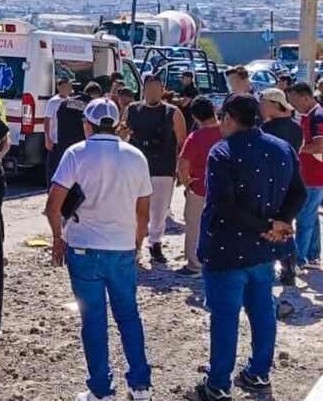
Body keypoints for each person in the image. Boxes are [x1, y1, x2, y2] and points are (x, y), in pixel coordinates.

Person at [188, 93, 305, 400]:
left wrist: (270, 225)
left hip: (226, 250)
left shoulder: (222, 151)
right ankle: (258, 373)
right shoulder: (283, 149)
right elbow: (299, 194)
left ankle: (217, 385)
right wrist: (279, 223)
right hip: (264, 251)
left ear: (227, 119)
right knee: (263, 311)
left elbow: (224, 205)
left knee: (225, 318)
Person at [46, 98, 153, 401]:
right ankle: (140, 385)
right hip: (121, 247)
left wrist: (58, 237)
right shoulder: (136, 157)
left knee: (93, 321)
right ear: (117, 124)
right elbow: (143, 212)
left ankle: (100, 390)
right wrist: (137, 243)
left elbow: (53, 206)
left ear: (87, 124)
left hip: (83, 247)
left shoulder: (76, 153)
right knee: (129, 316)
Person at [123, 75, 186, 264]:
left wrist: (180, 168)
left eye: (155, 89)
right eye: (148, 89)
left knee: (159, 209)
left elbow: (183, 142)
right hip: (136, 168)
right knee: (136, 210)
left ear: (162, 90)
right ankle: (135, 245)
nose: (151, 93)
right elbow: (122, 132)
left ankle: (155, 243)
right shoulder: (133, 109)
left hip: (163, 167)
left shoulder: (173, 112)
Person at [259, 87, 303, 285]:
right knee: (286, 224)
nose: (260, 107)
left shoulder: (265, 131)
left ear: (273, 104)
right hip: (291, 182)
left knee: (268, 226)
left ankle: (267, 269)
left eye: (263, 103)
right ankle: (289, 270)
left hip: (270, 185)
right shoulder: (296, 127)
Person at [175, 97, 222, 278]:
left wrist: (186, 181)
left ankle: (195, 264)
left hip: (200, 188)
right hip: (225, 190)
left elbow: (183, 162)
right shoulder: (228, 132)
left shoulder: (195, 137)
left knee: (194, 226)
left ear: (195, 117)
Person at [285, 82, 323, 270]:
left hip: (314, 176)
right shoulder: (309, 115)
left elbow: (319, 146)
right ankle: (313, 255)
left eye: (293, 100)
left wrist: (295, 150)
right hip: (310, 175)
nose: (292, 105)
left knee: (304, 218)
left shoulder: (317, 116)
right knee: (311, 216)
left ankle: (298, 260)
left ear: (305, 97)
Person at [53, 81, 104, 175]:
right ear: (95, 95)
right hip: (81, 148)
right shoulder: (91, 106)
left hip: (63, 146)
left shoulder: (65, 102)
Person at [44, 77, 73, 182]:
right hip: (55, 140)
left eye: (69, 87)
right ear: (59, 87)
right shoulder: (53, 102)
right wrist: (47, 138)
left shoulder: (71, 101)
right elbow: (47, 120)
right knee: (53, 167)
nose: (67, 89)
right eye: (64, 87)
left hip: (66, 140)